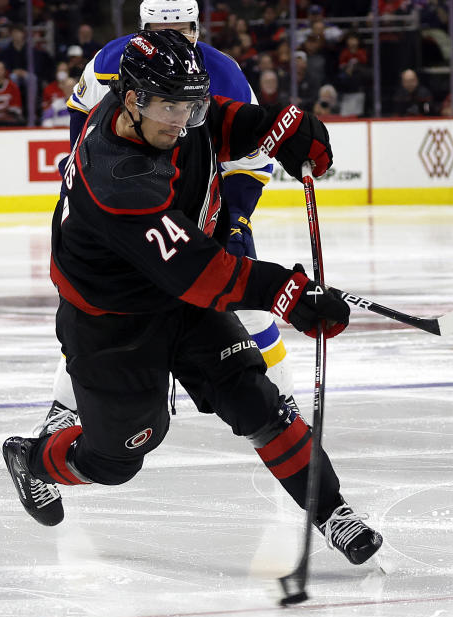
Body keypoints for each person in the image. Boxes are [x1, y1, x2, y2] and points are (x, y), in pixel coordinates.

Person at [2, 29, 383, 567]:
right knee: (119, 457)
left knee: (258, 400)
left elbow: (223, 124)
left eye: (191, 105)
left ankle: (333, 511)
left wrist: (282, 126)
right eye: (172, 108)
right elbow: (198, 273)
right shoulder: (116, 175)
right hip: (113, 324)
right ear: (131, 100)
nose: (183, 120)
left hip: (177, 299)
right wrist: (287, 293)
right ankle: (34, 460)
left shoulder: (158, 111)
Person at [58, 0, 302, 448]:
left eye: (183, 27)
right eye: (160, 26)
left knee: (241, 297)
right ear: (141, 28)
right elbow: (82, 115)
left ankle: (281, 397)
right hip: (132, 208)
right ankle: (64, 409)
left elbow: (248, 158)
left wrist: (238, 218)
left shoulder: (225, 74)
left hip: (199, 208)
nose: (173, 34)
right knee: (104, 308)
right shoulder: (110, 62)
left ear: (197, 27)